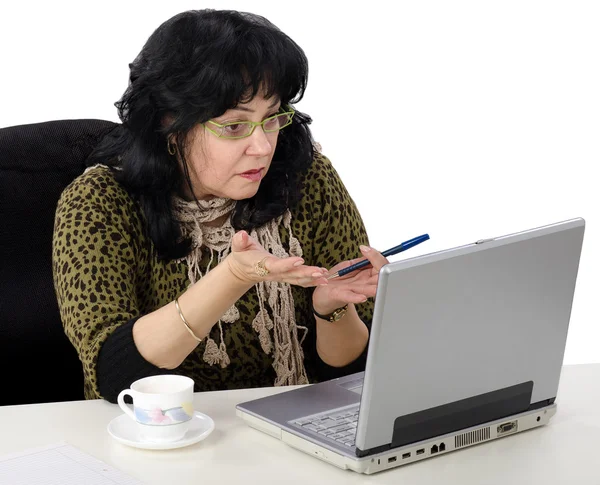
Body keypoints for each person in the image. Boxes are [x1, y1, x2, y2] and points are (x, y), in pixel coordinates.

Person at [52, 9, 389, 403]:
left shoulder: (303, 177)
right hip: (160, 440)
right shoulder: (98, 202)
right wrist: (232, 277)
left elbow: (352, 373)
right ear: (169, 123)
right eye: (234, 127)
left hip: (287, 429)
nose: (262, 147)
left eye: (272, 118)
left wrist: (331, 308)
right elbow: (115, 376)